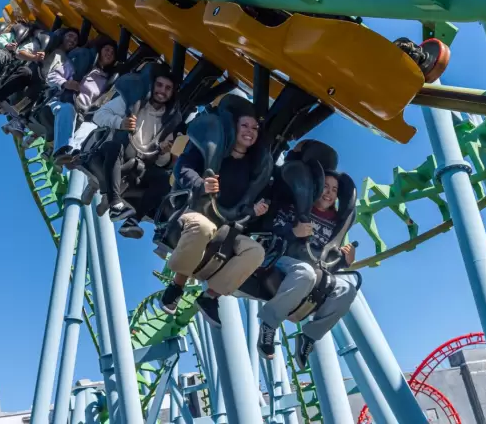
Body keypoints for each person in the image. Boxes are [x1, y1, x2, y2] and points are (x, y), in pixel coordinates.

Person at [159, 97, 272, 327]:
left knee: (255, 252)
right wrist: (201, 184)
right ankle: (177, 286)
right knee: (203, 227)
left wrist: (258, 209)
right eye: (245, 126)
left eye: (254, 128)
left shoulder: (252, 165)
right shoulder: (211, 148)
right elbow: (183, 168)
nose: (250, 132)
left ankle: (210, 296)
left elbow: (251, 200)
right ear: (234, 127)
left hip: (226, 224)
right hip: (192, 212)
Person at [256, 171, 358, 370]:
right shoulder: (295, 207)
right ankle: (269, 324)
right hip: (282, 259)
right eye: (325, 186)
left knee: (348, 289)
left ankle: (309, 337)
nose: (329, 193)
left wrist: (346, 261)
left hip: (314, 270)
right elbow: (271, 227)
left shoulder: (336, 224)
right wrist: (294, 231)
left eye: (334, 190)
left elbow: (328, 262)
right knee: (305, 272)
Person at [66, 64, 181, 235]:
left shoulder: (168, 120)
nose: (162, 91)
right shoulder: (132, 101)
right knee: (117, 143)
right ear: (152, 86)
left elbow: (161, 162)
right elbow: (99, 116)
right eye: (159, 85)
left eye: (168, 88)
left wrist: (164, 153)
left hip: (137, 165)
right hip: (110, 152)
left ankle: (132, 221)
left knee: (164, 180)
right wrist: (121, 123)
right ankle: (113, 203)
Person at [0, 27, 78, 118]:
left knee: (40, 88)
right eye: (70, 36)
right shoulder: (46, 43)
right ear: (62, 36)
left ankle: (17, 113)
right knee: (26, 72)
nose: (72, 40)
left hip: (44, 82)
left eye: (75, 39)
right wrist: (34, 57)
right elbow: (19, 53)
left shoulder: (68, 63)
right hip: (31, 69)